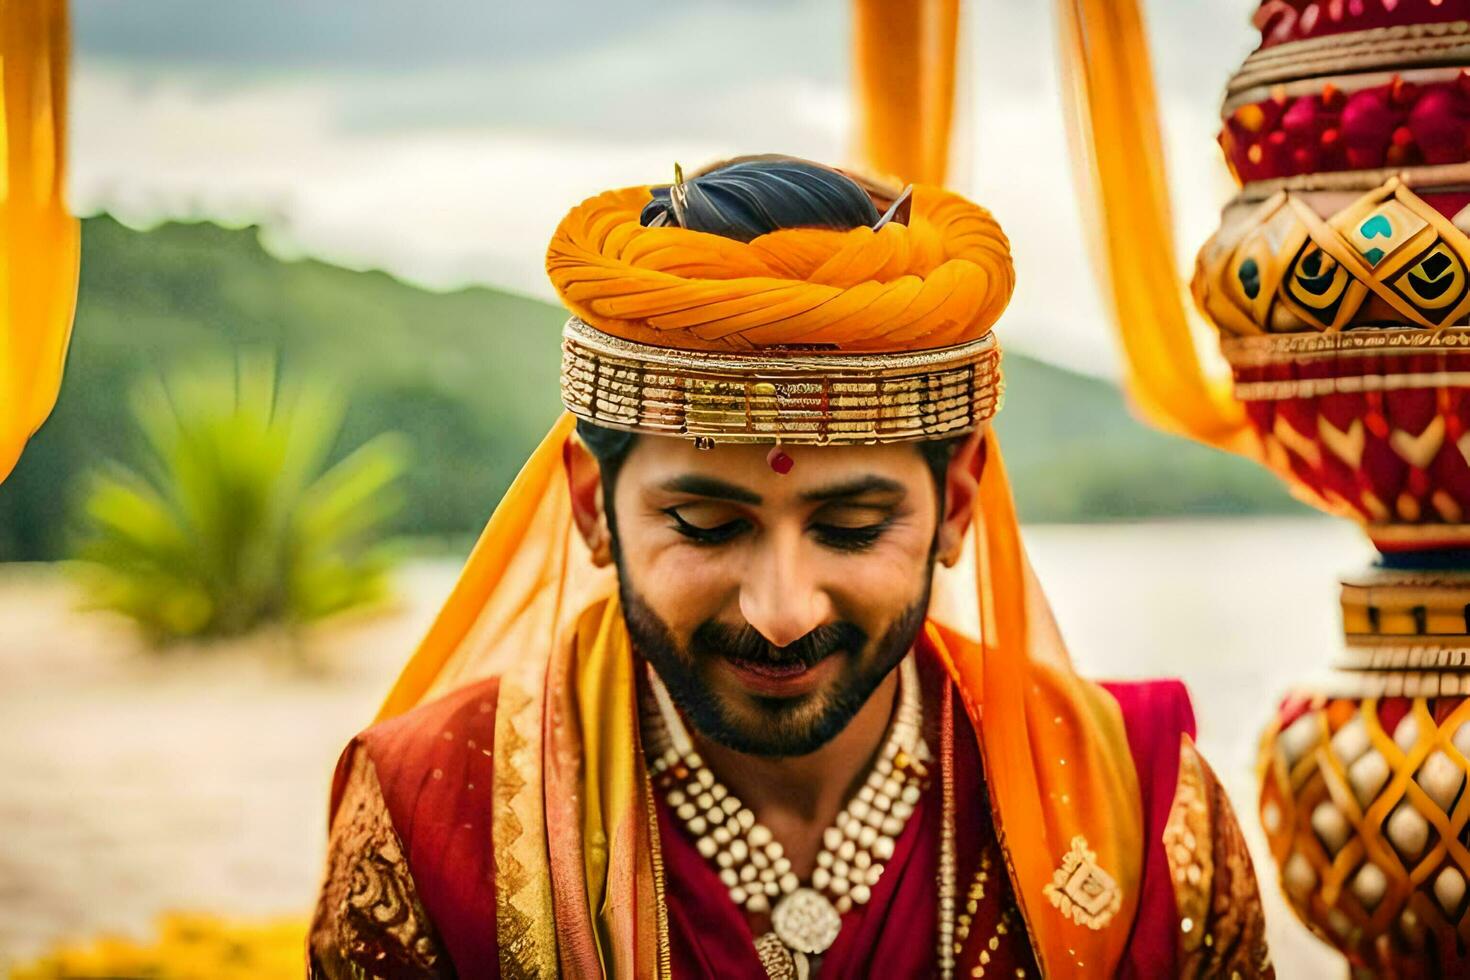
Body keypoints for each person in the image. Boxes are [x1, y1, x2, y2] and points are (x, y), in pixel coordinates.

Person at [308, 156, 1272, 979]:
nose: (780, 611)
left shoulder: (1138, 809)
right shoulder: (432, 821)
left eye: (851, 528)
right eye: (704, 524)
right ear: (592, 505)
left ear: (961, 501)